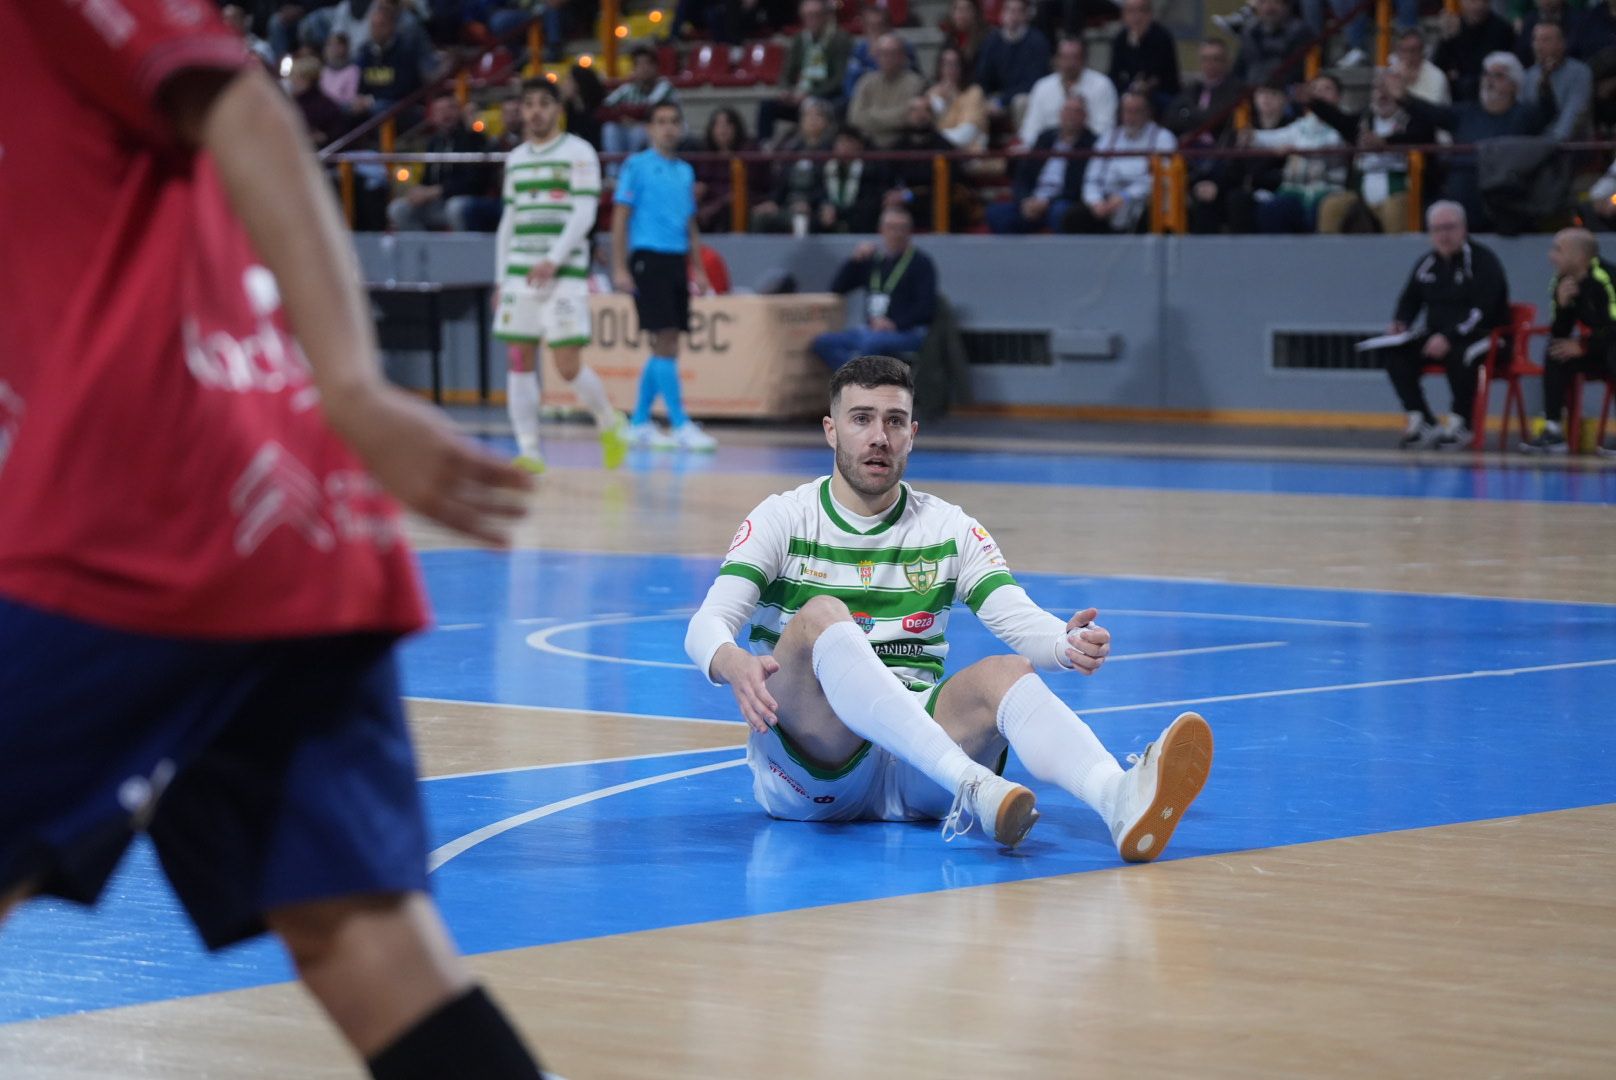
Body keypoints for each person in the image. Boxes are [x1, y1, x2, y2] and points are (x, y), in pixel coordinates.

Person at [0, 3, 550, 1079]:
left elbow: (248, 107)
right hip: (284, 530)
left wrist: (351, 382)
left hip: (148, 507)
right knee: (364, 944)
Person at [683, 354, 1214, 858]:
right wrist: (733, 664)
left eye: (894, 422)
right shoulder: (783, 519)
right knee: (821, 615)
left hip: (918, 770)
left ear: (912, 435)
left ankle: (1117, 799)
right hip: (814, 771)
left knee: (1007, 672)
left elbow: (1014, 612)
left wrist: (1063, 642)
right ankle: (974, 786)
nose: (878, 437)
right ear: (830, 430)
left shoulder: (947, 527)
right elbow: (708, 623)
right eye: (861, 419)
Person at [495, 78, 627, 474]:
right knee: (518, 358)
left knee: (567, 364)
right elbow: (509, 221)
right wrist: (501, 279)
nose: (535, 111)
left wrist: (553, 258)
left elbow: (584, 213)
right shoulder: (515, 158)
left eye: (543, 103)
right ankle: (530, 451)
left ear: (557, 109)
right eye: (528, 104)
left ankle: (609, 421)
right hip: (520, 273)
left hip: (564, 273)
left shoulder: (578, 152)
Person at [612, 101, 718, 450]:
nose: (668, 128)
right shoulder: (636, 166)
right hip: (648, 258)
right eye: (661, 122)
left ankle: (639, 421)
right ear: (649, 129)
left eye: (674, 121)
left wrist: (699, 269)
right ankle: (679, 423)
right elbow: (620, 218)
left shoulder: (685, 172)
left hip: (675, 261)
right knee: (666, 338)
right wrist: (619, 266)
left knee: (665, 343)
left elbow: (690, 225)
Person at [1378, 201, 1511, 449]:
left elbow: (1484, 311)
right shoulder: (1426, 264)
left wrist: (1449, 336)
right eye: (1437, 229)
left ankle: (1462, 422)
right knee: (1395, 352)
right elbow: (1409, 300)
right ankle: (1422, 418)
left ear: (1464, 228)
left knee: (1463, 354)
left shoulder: (1483, 262)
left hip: (1485, 335)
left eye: (1449, 227)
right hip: (1438, 335)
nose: (1443, 235)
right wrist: (1400, 323)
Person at [1521, 228, 1616, 454]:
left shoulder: (1606, 279)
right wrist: (1563, 306)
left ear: (1580, 256)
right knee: (1556, 351)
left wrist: (1584, 346)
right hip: (1598, 348)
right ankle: (1553, 431)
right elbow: (1559, 332)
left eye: (1558, 250)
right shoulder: (1562, 281)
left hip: (1610, 345)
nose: (1551, 256)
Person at [812, 207, 937, 369]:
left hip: (906, 332)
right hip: (871, 329)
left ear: (909, 232)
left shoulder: (920, 263)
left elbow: (926, 309)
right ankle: (855, 379)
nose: (896, 233)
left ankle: (856, 383)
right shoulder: (873, 260)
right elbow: (838, 288)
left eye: (902, 228)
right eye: (891, 228)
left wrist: (894, 324)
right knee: (823, 343)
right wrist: (854, 261)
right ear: (881, 230)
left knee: (870, 345)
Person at [1063, 90, 1175, 234]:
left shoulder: (1163, 138)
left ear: (1148, 113)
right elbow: (1092, 178)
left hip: (1143, 202)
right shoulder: (1108, 138)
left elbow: (1162, 179)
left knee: (1152, 214)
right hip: (1107, 203)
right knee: (1074, 217)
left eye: (1136, 112)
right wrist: (1096, 202)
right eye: (1127, 111)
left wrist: (1125, 196)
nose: (1131, 117)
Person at [387, 92, 499, 232]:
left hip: (466, 201)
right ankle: (424, 250)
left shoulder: (473, 138)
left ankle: (461, 253)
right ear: (433, 116)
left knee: (456, 207)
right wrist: (419, 191)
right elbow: (428, 179)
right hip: (438, 202)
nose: (446, 115)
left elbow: (474, 182)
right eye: (440, 110)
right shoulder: (433, 142)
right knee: (398, 208)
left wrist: (435, 191)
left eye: (450, 108)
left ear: (459, 112)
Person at [987, 96, 1094, 233]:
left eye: (1076, 111)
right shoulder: (1045, 138)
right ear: (1060, 114)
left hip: (1061, 201)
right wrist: (1025, 201)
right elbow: (1023, 176)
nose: (1071, 116)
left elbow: (1078, 186)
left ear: (1085, 116)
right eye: (1067, 110)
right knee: (996, 213)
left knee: (1062, 212)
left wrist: (1047, 202)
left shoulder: (1091, 144)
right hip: (1033, 199)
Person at [757, 0, 852, 144]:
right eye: (808, 16)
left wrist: (812, 94)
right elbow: (786, 73)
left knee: (840, 105)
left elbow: (839, 78)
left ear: (826, 16)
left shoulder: (840, 39)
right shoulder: (799, 39)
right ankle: (764, 148)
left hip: (828, 95)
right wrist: (786, 91)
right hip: (801, 95)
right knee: (767, 107)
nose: (811, 20)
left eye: (816, 15)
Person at [1020, 34, 1117, 146]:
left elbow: (1104, 129)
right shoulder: (1042, 86)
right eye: (1065, 57)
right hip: (1047, 149)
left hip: (1087, 151)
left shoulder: (1102, 85)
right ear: (1056, 59)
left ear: (1084, 60)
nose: (1070, 64)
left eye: (1075, 57)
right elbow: (1031, 128)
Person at [848, 33, 929, 148]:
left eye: (893, 54)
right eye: (882, 54)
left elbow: (910, 117)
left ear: (902, 56)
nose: (887, 58)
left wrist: (872, 114)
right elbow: (855, 117)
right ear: (876, 57)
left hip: (904, 146)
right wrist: (896, 117)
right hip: (869, 146)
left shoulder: (916, 83)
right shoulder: (865, 82)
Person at [976, 0, 1052, 122]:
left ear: (1026, 15)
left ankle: (1023, 141)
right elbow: (983, 76)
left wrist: (1002, 101)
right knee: (975, 97)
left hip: (1025, 97)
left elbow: (1034, 83)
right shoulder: (992, 41)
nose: (1013, 16)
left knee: (1021, 101)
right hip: (998, 97)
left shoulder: (1037, 41)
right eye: (1009, 10)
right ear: (1002, 13)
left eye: (1018, 11)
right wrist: (986, 97)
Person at [601, 45, 678, 161]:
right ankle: (614, 174)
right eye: (638, 65)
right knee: (610, 128)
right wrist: (622, 117)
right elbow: (604, 108)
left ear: (656, 67)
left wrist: (627, 113)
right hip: (629, 128)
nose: (643, 68)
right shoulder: (628, 88)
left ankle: (635, 167)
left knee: (639, 131)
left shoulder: (665, 87)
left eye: (647, 64)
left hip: (662, 129)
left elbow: (650, 111)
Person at [1522, 21, 1592, 142]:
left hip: (1568, 145)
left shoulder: (1579, 73)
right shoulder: (1528, 76)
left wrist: (1549, 145)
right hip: (1533, 146)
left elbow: (1573, 115)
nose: (1538, 46)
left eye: (1546, 40)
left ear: (1562, 44)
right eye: (1536, 40)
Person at [1109, 0, 1180, 109]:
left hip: (1159, 93)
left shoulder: (1162, 37)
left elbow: (1159, 75)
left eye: (1142, 11)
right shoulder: (1121, 38)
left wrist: (1137, 45)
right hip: (1128, 92)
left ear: (1150, 14)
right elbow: (1114, 74)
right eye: (1131, 12)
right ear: (1124, 15)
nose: (1136, 17)